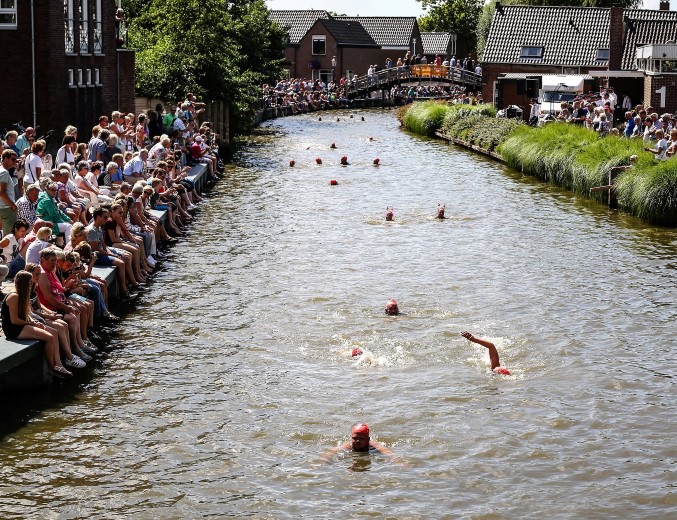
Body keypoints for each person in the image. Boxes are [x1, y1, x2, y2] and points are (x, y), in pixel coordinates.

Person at [2, 271, 73, 377]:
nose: (32, 284)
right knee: (48, 337)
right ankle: (52, 368)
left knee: (53, 332)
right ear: (23, 283)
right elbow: (14, 320)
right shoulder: (14, 296)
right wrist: (32, 323)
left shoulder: (24, 294)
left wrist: (35, 322)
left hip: (24, 324)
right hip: (14, 329)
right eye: (30, 282)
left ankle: (59, 364)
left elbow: (27, 313)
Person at [321, 423, 398, 462]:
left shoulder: (374, 446)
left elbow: (390, 454)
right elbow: (328, 454)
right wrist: (320, 463)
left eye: (361, 439)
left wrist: (399, 462)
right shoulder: (347, 446)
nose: (357, 441)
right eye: (355, 438)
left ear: (368, 439)